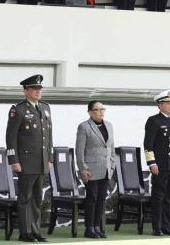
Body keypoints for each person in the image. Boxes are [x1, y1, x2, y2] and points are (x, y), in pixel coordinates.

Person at [5, 74, 53, 243]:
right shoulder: (18, 110)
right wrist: (14, 161)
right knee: (25, 198)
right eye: (34, 88)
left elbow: (48, 137)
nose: (38, 91)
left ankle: (35, 230)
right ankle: (25, 232)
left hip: (41, 162)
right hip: (25, 163)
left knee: (37, 198)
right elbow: (11, 137)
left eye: (39, 88)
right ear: (26, 91)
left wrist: (50, 158)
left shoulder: (46, 108)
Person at [144, 90, 170, 236]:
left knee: (168, 196)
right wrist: (152, 163)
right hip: (159, 165)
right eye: (168, 103)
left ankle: (167, 226)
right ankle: (157, 227)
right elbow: (148, 144)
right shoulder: (154, 121)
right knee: (158, 196)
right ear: (160, 105)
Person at [75, 101, 115, 239]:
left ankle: (97, 226)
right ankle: (89, 228)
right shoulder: (84, 127)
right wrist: (82, 169)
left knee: (101, 199)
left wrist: (112, 165)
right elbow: (79, 151)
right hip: (90, 170)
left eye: (102, 109)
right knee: (91, 198)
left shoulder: (109, 126)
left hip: (106, 169)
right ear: (90, 112)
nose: (101, 112)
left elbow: (111, 148)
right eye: (97, 110)